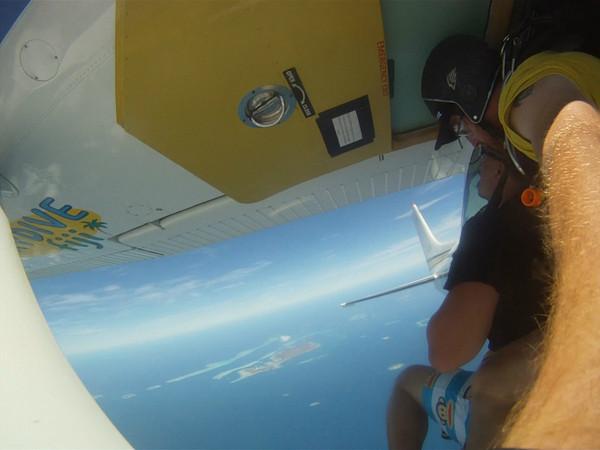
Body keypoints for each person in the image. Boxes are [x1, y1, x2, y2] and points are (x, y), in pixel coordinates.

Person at [419, 32, 600, 448]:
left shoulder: (526, 92)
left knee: (493, 382)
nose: (472, 140)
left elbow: (566, 123)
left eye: (461, 125)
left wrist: (585, 348)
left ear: (469, 97)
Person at [387, 139, 552, 450]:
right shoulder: (557, 208)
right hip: (555, 358)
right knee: (410, 382)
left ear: (500, 169)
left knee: (482, 386)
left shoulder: (489, 228)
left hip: (534, 392)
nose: (477, 175)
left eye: (483, 160)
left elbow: (446, 355)